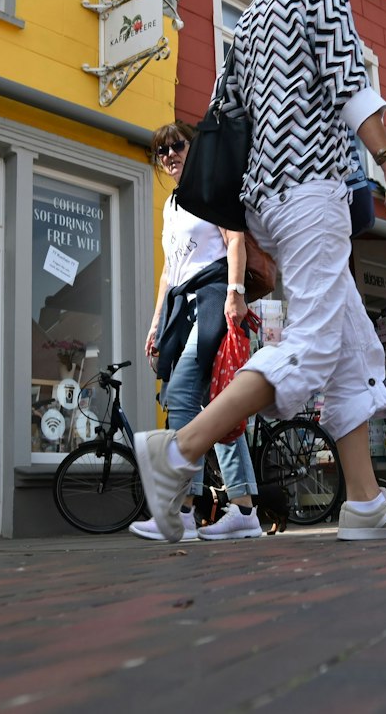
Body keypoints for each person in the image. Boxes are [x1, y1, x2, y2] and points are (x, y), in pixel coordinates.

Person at [130, 0, 386, 542]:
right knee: (317, 343)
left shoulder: (249, 20)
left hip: (266, 197)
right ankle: (180, 449)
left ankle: (364, 503)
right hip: (311, 191)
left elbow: (224, 109)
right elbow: (351, 81)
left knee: (352, 350)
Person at [130, 121, 262, 541]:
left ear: (193, 148)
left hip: (212, 296)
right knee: (216, 407)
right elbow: (170, 270)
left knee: (184, 393)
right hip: (181, 304)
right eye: (161, 151)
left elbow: (236, 239)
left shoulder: (209, 187)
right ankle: (243, 510)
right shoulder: (171, 205)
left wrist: (235, 294)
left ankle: (183, 510)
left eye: (177, 146)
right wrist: (155, 323)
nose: (169, 155)